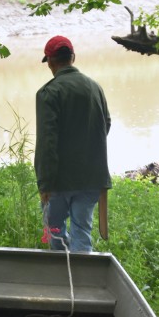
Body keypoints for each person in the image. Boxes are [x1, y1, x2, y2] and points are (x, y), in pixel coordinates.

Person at [34, 35, 111, 252]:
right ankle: (82, 280)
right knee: (82, 231)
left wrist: (45, 183)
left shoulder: (48, 93)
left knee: (55, 231)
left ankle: (61, 278)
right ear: (73, 58)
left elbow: (47, 142)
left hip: (59, 180)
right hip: (92, 177)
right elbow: (106, 125)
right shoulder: (95, 88)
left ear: (49, 61)